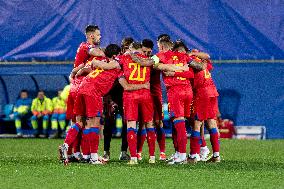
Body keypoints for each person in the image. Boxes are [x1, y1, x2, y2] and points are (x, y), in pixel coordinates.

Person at [60, 24, 105, 164]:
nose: (100, 37)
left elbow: (76, 70)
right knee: (90, 122)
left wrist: (74, 73)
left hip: (75, 87)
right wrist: (111, 53)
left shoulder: (87, 56)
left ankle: (75, 152)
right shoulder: (85, 47)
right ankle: (89, 155)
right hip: (83, 88)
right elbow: (99, 54)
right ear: (91, 36)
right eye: (98, 35)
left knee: (78, 122)